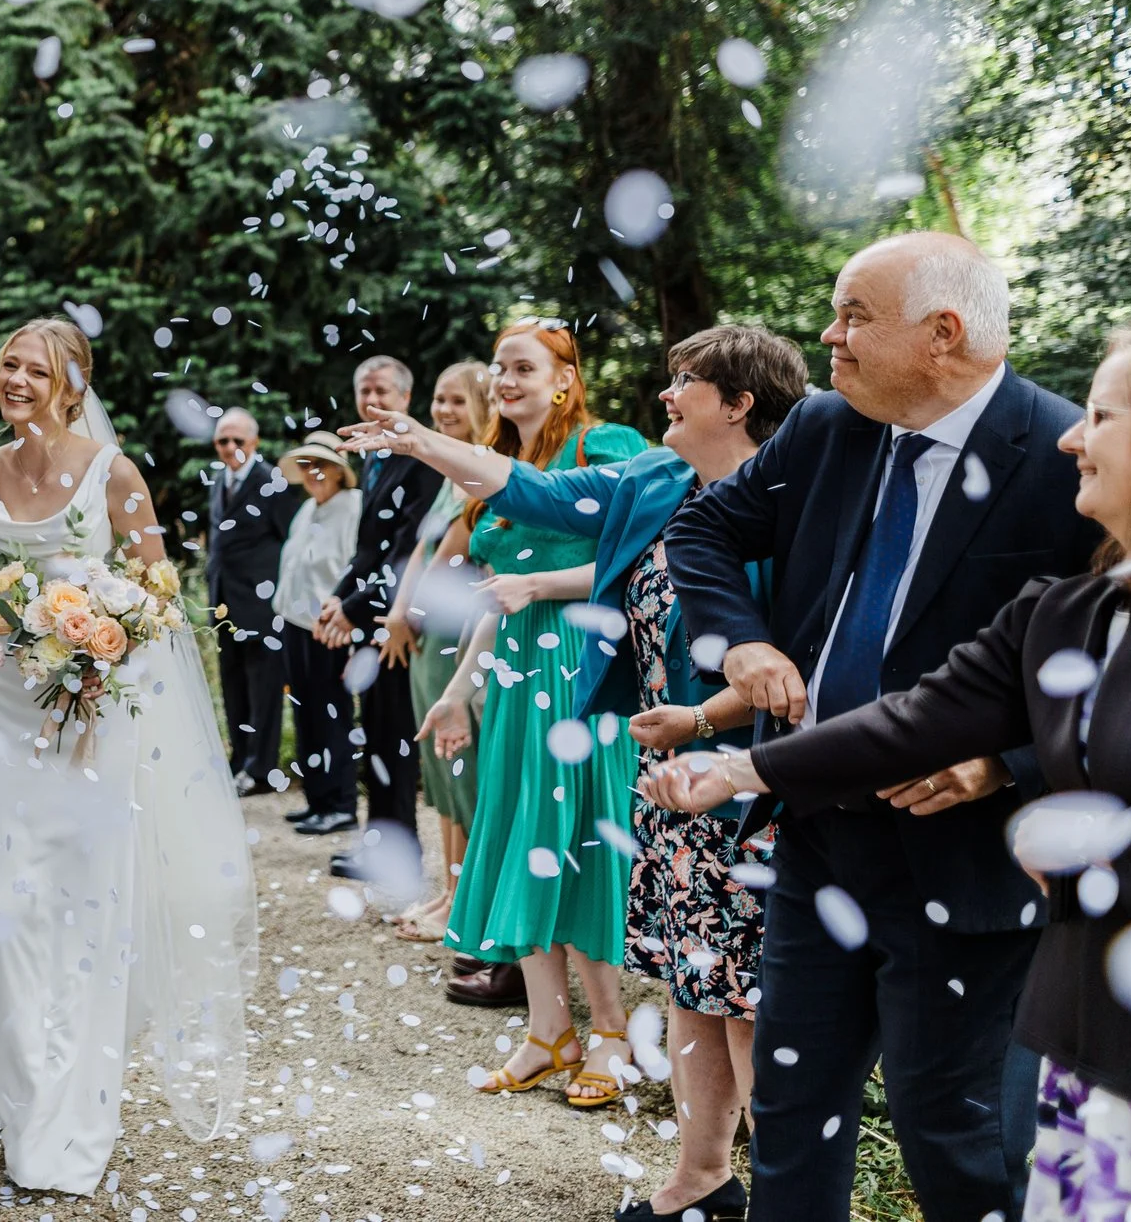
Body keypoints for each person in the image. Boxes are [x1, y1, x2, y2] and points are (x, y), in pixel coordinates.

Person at [648, 319, 1131, 1222]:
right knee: (792, 1101)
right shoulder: (1062, 612)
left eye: (1100, 414)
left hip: (1010, 908)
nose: (1072, 436)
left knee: (955, 1132)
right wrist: (740, 768)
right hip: (1073, 1032)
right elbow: (915, 716)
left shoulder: (1039, 465)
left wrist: (1037, 793)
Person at [347, 325, 809, 1219]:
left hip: (755, 780)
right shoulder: (656, 479)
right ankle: (700, 1177)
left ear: (741, 402)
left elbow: (797, 661)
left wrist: (712, 725)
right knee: (689, 983)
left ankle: (784, 1195)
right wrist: (420, 438)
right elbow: (540, 491)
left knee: (750, 999)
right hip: (669, 772)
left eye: (686, 382)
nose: (665, 395)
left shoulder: (797, 497)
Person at [0, 319, 257, 1194]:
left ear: (71, 384)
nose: (12, 378)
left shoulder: (111, 472)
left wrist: (98, 654)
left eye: (32, 368)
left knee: (84, 914)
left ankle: (67, 1118)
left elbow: (159, 594)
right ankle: (12, 1091)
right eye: (6, 363)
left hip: (93, 722)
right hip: (3, 715)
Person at [396, 319, 648, 1102]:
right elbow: (492, 602)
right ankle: (549, 1032)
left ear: (565, 380)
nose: (506, 381)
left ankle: (609, 1034)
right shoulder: (498, 471)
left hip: (583, 672)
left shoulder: (603, 448)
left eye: (524, 367)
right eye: (500, 368)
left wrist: (540, 586)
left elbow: (636, 552)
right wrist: (455, 690)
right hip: (512, 677)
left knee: (575, 845)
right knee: (515, 843)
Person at [364, 359, 490, 945]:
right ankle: (448, 888)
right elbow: (420, 547)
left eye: (456, 401)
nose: (443, 411)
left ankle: (465, 900)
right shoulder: (444, 467)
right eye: (439, 400)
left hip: (454, 630)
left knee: (458, 764)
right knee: (438, 772)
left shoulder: (480, 468)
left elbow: (454, 554)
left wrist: (406, 615)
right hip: (422, 628)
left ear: (483, 406)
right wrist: (396, 613)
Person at [315, 356, 445, 880]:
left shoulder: (422, 459)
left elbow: (408, 551)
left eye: (383, 391)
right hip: (373, 612)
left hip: (404, 617)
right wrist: (338, 597)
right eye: (364, 389)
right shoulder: (373, 457)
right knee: (374, 734)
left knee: (394, 737)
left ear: (406, 399)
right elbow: (368, 549)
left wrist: (352, 607)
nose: (373, 400)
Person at [272, 431, 363, 835]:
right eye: (307, 466)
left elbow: (356, 567)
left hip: (331, 628)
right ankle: (317, 800)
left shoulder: (353, 507)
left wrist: (349, 622)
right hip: (295, 626)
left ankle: (341, 804)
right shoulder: (306, 510)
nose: (313, 473)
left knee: (333, 716)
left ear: (340, 471)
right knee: (306, 715)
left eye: (321, 465)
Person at [206, 407, 301, 792]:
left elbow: (290, 541)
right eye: (223, 441)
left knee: (264, 691)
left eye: (238, 440)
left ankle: (261, 770)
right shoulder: (217, 480)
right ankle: (239, 760)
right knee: (233, 687)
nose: (230, 447)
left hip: (262, 607)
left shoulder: (272, 482)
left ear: (254, 442)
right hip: (224, 602)